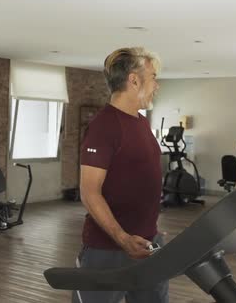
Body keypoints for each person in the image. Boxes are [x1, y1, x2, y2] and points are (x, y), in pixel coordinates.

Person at [72, 47, 168, 303]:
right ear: (134, 80)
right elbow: (89, 192)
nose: (157, 85)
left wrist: (151, 230)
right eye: (154, 77)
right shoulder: (104, 126)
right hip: (107, 250)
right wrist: (123, 238)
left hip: (147, 244)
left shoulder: (140, 122)